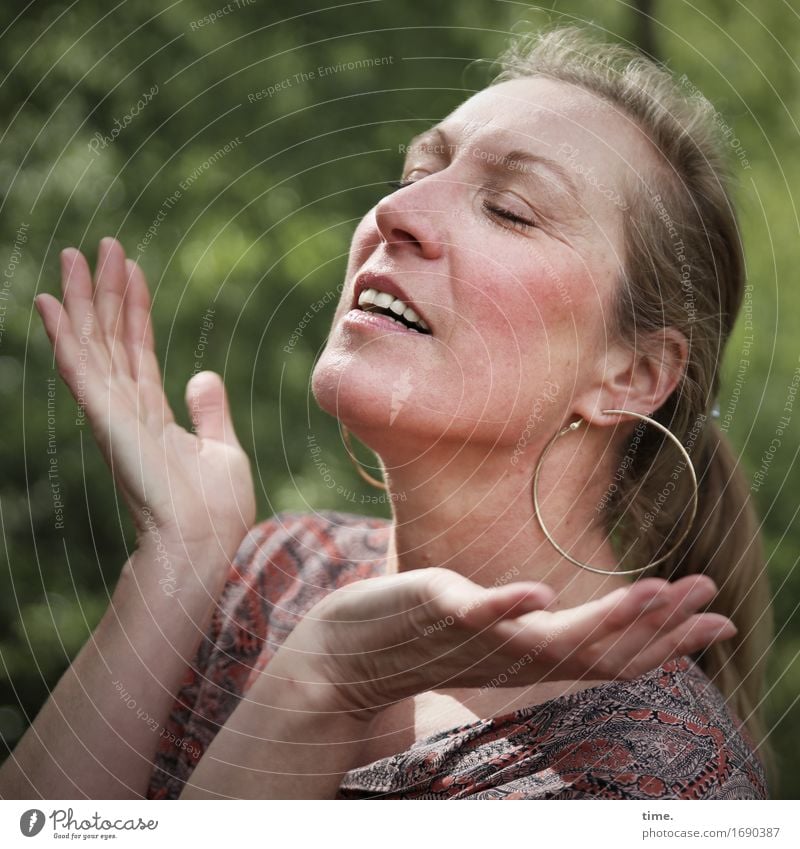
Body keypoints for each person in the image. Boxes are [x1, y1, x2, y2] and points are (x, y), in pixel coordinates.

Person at [2, 25, 772, 800]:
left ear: (631, 375)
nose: (397, 211)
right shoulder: (275, 572)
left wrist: (331, 675)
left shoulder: (657, 780)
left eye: (508, 209)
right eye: (415, 170)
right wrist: (177, 559)